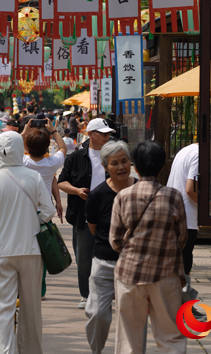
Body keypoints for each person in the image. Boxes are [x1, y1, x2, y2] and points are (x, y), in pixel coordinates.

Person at [0, 131, 55, 354]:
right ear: (21, 149)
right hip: (31, 249)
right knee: (32, 308)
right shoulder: (34, 177)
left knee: (3, 308)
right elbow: (48, 211)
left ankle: (3, 351)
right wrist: (34, 220)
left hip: (2, 251)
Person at [110, 141, 188, 354]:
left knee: (128, 340)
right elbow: (182, 238)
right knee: (171, 336)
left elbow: (115, 240)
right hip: (166, 275)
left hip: (129, 274)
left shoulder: (123, 197)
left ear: (136, 167)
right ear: (163, 167)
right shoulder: (173, 196)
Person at [164, 130, 211, 319]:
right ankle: (185, 308)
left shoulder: (186, 150)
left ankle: (178, 305)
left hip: (174, 212)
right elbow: (191, 190)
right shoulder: (200, 156)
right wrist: (209, 206)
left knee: (178, 263)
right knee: (184, 264)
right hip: (185, 216)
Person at [84, 141, 137, 353]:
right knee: (98, 314)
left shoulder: (140, 189)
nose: (121, 167)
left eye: (124, 161)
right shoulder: (97, 195)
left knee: (131, 317)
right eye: (115, 163)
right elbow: (94, 228)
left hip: (134, 265)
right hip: (104, 263)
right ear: (106, 167)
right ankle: (96, 350)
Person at [58, 118, 115, 309]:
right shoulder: (76, 158)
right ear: (90, 134)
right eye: (102, 133)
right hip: (83, 214)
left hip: (110, 213)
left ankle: (108, 293)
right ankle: (86, 294)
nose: (107, 137)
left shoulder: (114, 156)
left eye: (108, 134)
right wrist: (77, 191)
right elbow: (61, 182)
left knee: (111, 254)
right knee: (84, 256)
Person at [23, 120, 67, 299]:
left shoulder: (23, 161)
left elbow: (13, 146)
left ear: (27, 144)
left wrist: (25, 129)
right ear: (47, 146)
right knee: (43, 250)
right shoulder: (51, 164)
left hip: (24, 212)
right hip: (44, 214)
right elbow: (63, 148)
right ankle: (39, 290)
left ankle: (25, 287)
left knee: (26, 250)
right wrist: (54, 131)